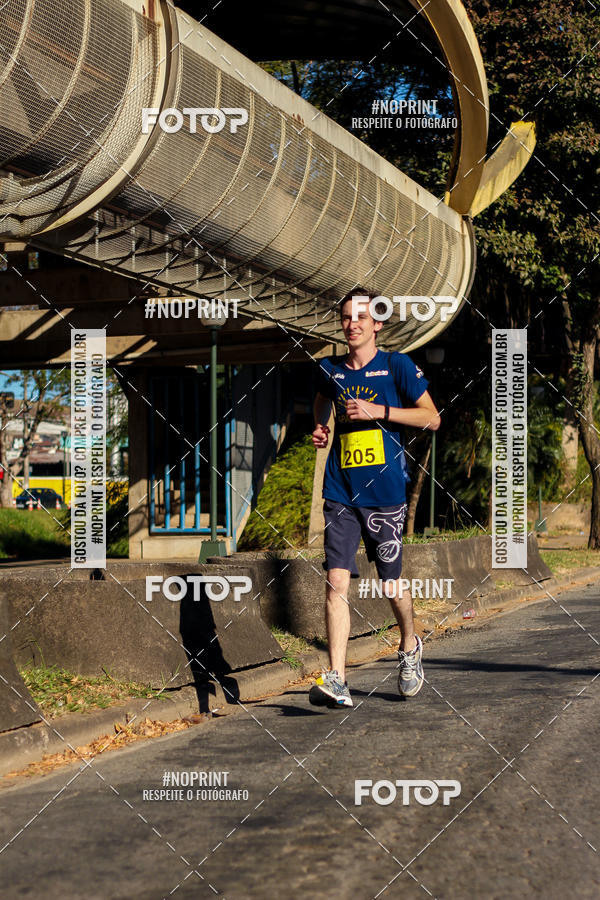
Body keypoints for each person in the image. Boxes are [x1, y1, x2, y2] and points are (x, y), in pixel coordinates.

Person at [309, 289, 440, 708]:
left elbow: (431, 418)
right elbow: (321, 398)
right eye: (346, 317)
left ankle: (408, 644)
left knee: (390, 582)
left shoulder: (396, 366)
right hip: (340, 490)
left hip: (385, 495)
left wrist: (378, 412)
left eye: (361, 317)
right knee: (336, 582)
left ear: (377, 323)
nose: (352, 324)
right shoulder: (331, 369)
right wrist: (321, 426)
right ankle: (338, 679)